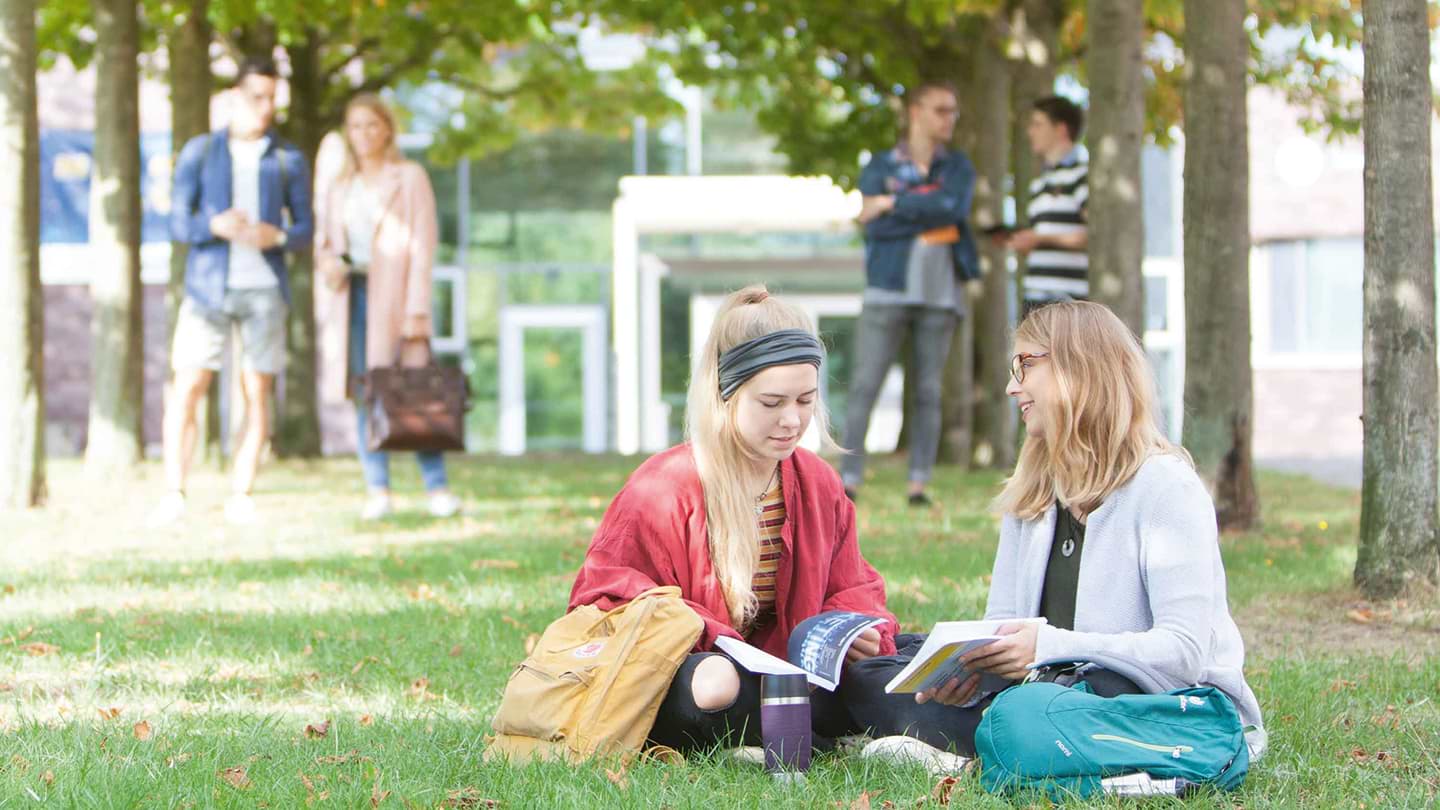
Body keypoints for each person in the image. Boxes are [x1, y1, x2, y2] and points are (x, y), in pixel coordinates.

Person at [853, 301, 1266, 768]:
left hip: (1153, 702)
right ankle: (995, 743)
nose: (1013, 387)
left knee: (1048, 704)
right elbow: (1005, 623)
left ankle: (981, 751)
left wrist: (1048, 646)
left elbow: (1182, 655)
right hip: (1045, 688)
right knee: (880, 669)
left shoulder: (1166, 488)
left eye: (1026, 365)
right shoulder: (1036, 490)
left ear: (1080, 369)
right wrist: (977, 668)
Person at [568, 286, 901, 753]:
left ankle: (799, 730)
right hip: (697, 672)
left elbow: (853, 585)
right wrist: (712, 636)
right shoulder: (663, 486)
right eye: (772, 403)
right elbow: (605, 600)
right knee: (716, 685)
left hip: (793, 673)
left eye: (805, 401)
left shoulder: (818, 483)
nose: (792, 420)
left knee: (897, 661)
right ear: (726, 394)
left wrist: (853, 630)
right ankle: (827, 734)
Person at [150, 57, 313, 527]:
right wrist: (213, 225)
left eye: (271, 98)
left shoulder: (288, 159)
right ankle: (174, 492)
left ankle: (241, 494)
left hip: (263, 288)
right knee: (188, 388)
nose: (265, 107)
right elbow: (177, 221)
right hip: (206, 290)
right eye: (257, 96)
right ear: (236, 97)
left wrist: (276, 236)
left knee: (256, 393)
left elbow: (305, 229)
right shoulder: (200, 152)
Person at [314, 94, 460, 520]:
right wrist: (329, 266)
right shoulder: (340, 185)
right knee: (366, 392)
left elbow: (422, 244)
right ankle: (377, 488)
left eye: (371, 126)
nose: (363, 135)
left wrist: (418, 308)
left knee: (414, 390)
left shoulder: (409, 177)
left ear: (387, 130)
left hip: (396, 298)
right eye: (355, 127)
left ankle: (437, 488)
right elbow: (326, 244)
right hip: (351, 296)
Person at [843, 81, 979, 508]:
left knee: (927, 390)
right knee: (865, 383)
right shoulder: (880, 165)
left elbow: (953, 209)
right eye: (941, 110)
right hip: (887, 288)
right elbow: (873, 224)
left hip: (941, 295)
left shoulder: (957, 167)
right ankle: (847, 478)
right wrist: (918, 207)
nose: (949, 119)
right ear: (915, 112)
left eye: (953, 111)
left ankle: (918, 483)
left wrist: (891, 203)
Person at [1004, 95, 1089, 313]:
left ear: (1061, 129)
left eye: (1037, 124)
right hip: (1034, 297)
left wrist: (1041, 238)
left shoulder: (1081, 175)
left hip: (1068, 300)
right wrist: (1027, 242)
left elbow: (1092, 235)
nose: (1030, 132)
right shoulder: (1039, 184)